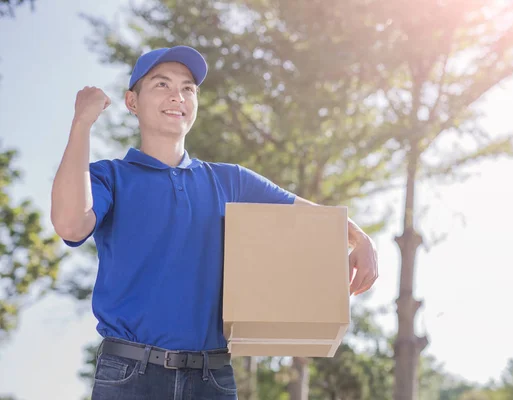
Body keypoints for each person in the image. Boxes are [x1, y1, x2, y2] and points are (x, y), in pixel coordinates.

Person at [51, 46, 378, 400]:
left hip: (212, 378)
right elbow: (71, 224)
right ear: (132, 101)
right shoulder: (108, 177)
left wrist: (361, 239)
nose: (177, 95)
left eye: (188, 88)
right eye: (161, 85)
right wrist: (81, 122)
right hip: (131, 375)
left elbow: (315, 218)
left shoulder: (230, 181)